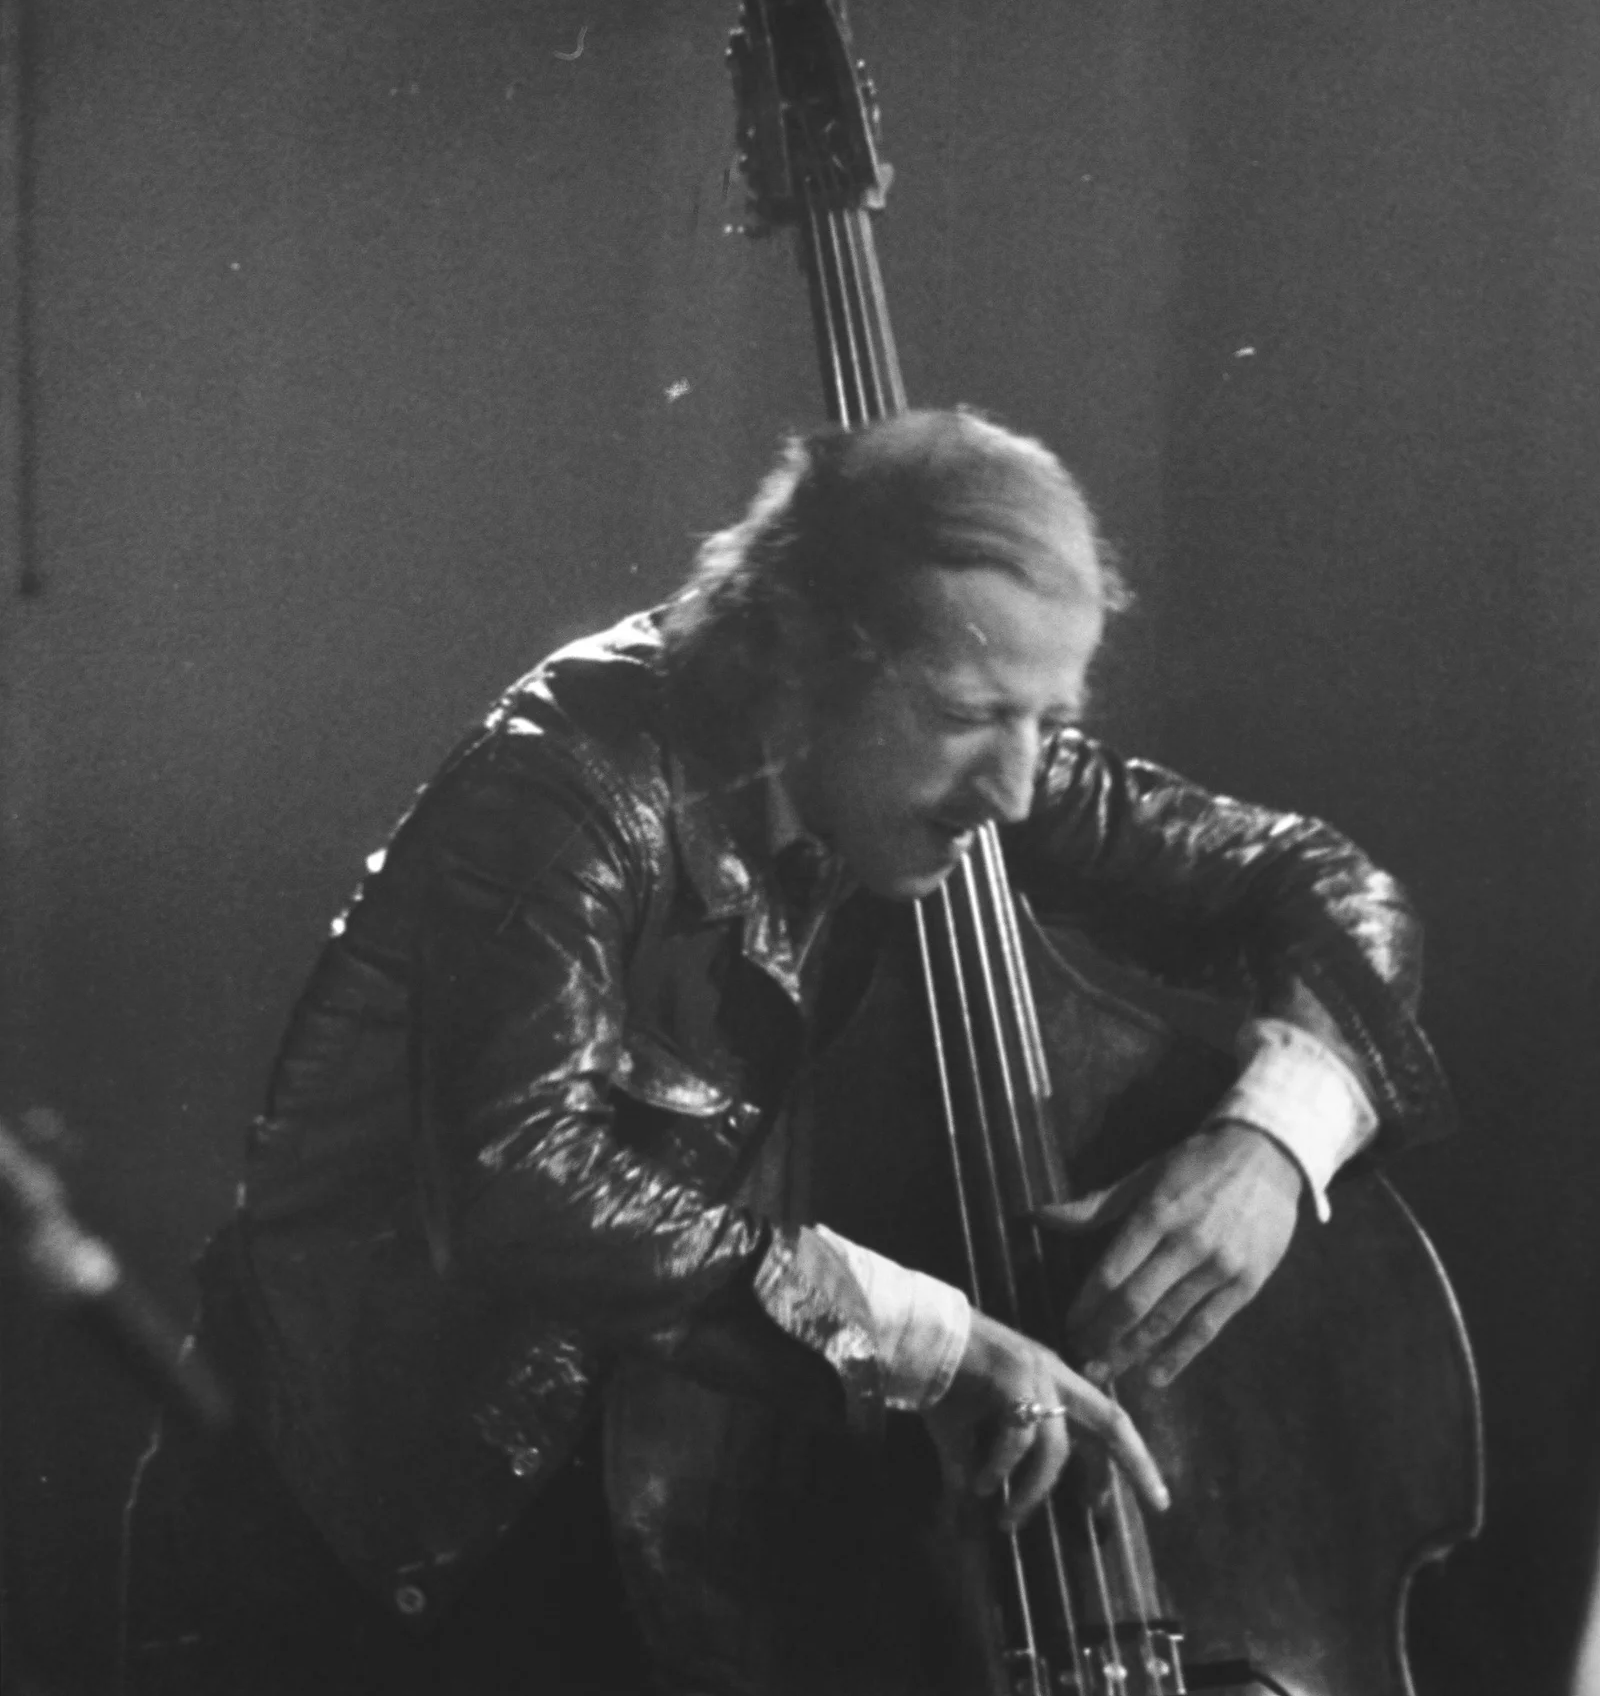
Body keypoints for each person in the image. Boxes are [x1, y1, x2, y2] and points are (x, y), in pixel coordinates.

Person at [120, 408, 1451, 1695]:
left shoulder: (960, 759)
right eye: (969, 714)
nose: (1016, 790)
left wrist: (1270, 1146)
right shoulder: (565, 785)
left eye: (1047, 719)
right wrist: (933, 1344)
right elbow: (516, 1175)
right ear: (801, 652)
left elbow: (1329, 890)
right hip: (363, 1557)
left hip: (609, 1510)